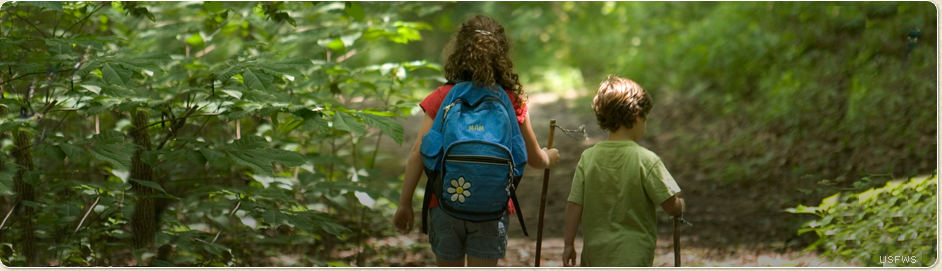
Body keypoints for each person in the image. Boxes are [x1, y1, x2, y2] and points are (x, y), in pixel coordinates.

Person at [392, 15, 560, 267]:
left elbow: (419, 152)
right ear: (501, 56)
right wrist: (550, 156)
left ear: (458, 52)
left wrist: (405, 204)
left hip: (445, 202)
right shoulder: (511, 100)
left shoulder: (443, 96)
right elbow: (534, 158)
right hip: (492, 207)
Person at [562, 75, 685, 267]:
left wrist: (568, 244)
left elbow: (574, 205)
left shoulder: (588, 158)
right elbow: (670, 206)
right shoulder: (646, 159)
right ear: (637, 116)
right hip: (633, 256)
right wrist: (680, 206)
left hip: (595, 255)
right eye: (645, 119)